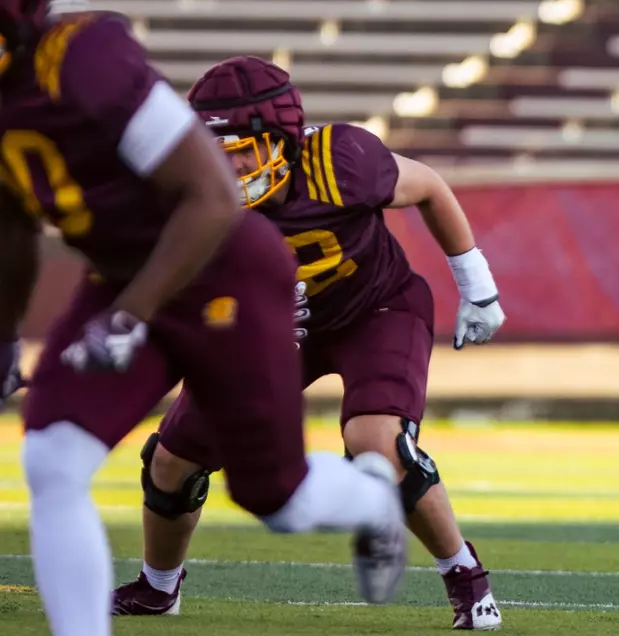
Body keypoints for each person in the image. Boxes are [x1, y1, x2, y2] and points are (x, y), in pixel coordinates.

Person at [0, 0, 406, 636]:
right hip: (131, 275)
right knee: (53, 456)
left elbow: (214, 198)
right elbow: (9, 225)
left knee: (277, 501)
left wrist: (129, 314)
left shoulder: (83, 55)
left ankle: (375, 498)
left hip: (224, 270)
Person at [113, 55, 507, 630]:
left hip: (373, 309)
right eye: (215, 152)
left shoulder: (341, 160)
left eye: (242, 150)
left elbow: (429, 186)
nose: (230, 167)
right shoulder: (192, 190)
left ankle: (467, 579)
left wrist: (478, 286)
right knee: (171, 461)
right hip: (270, 326)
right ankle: (158, 589)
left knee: (379, 445)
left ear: (281, 141)